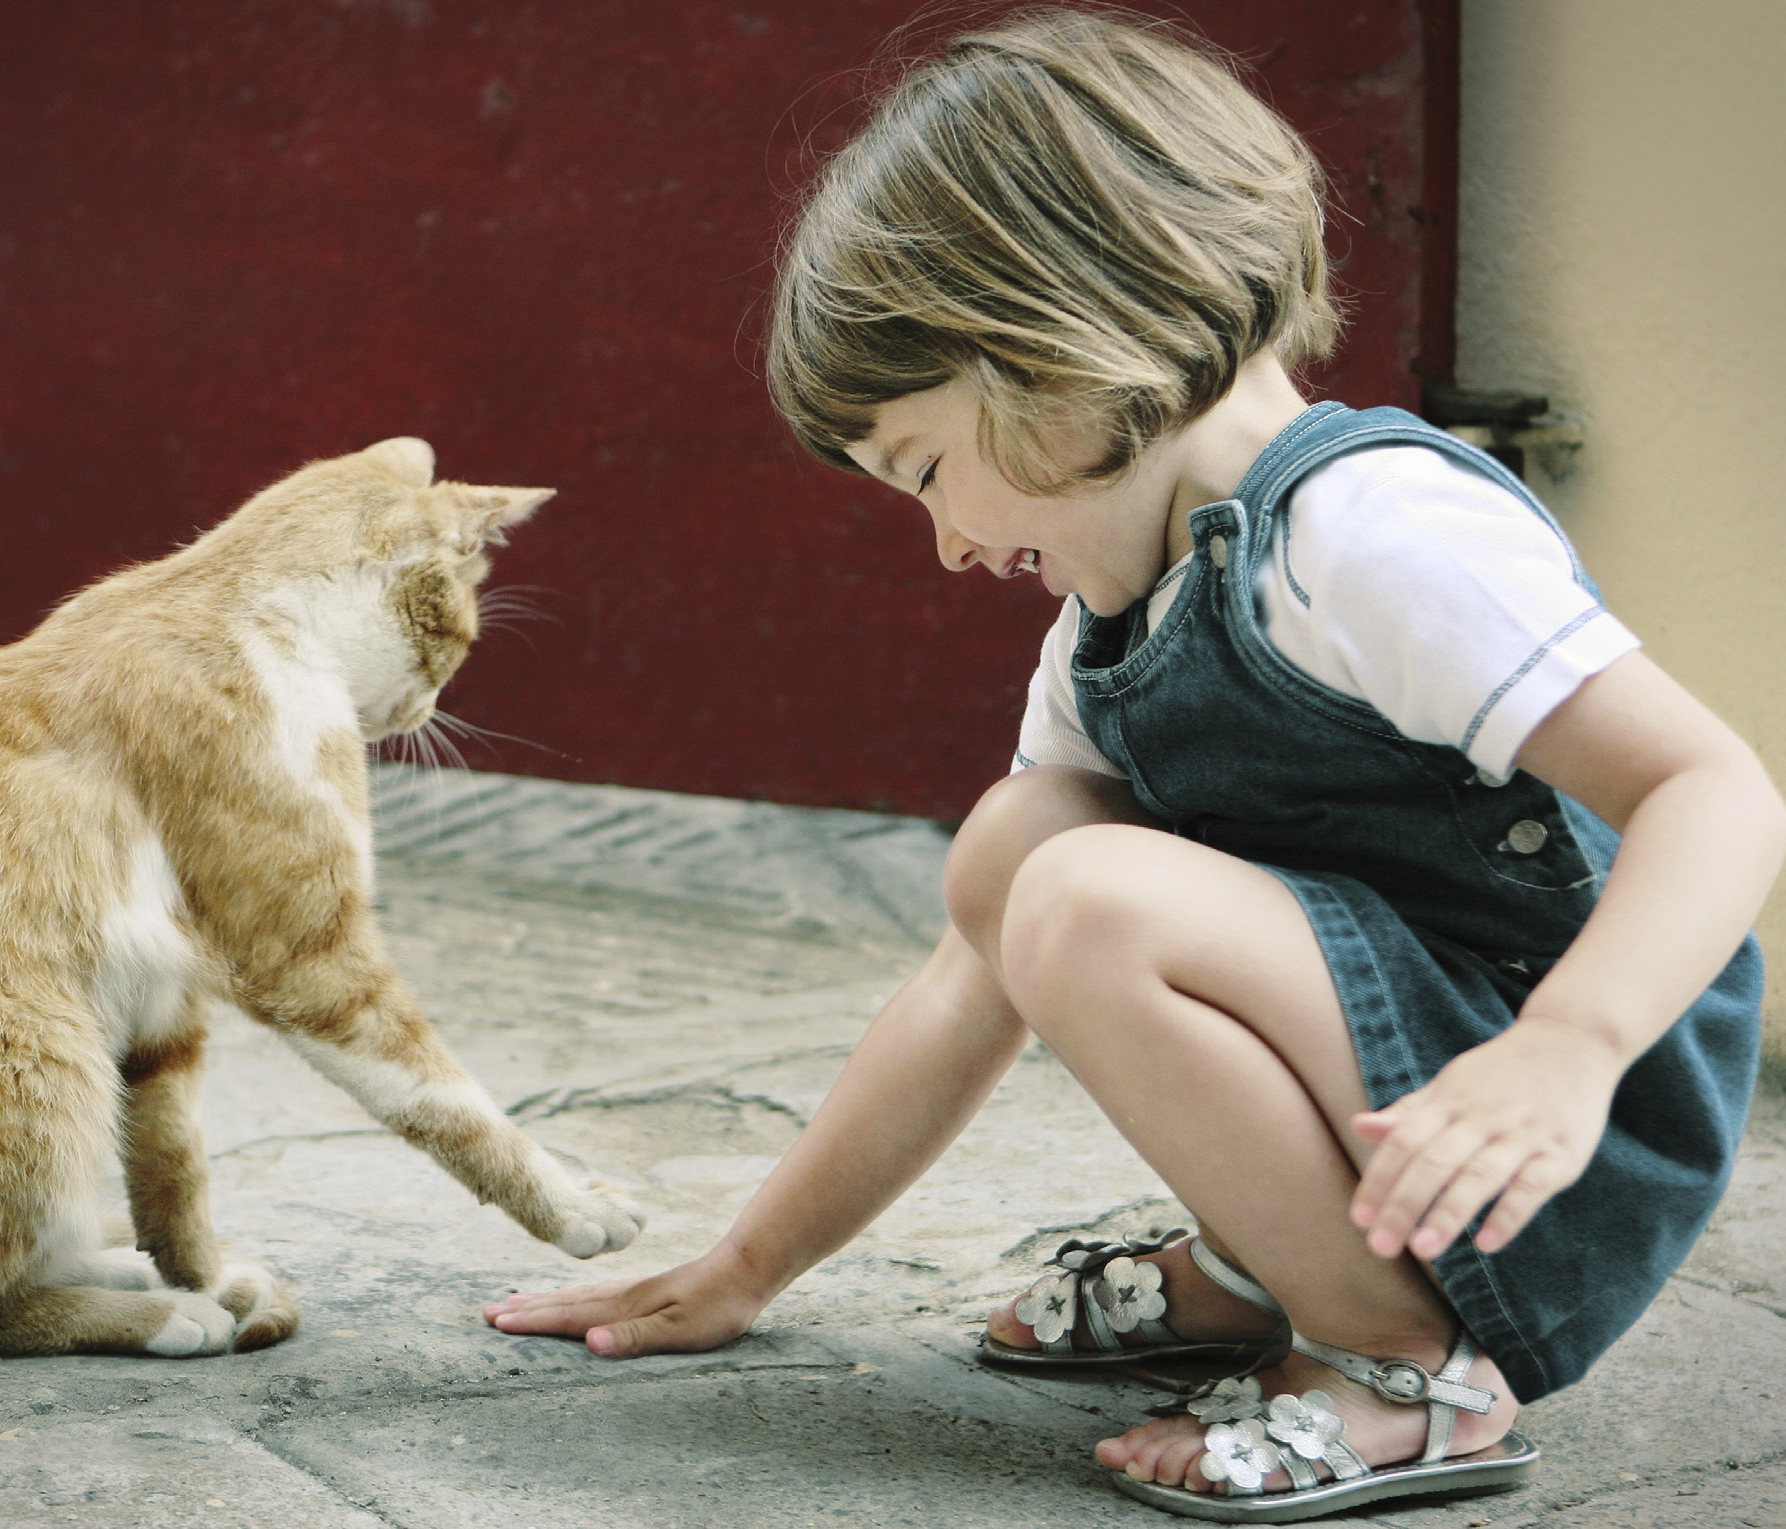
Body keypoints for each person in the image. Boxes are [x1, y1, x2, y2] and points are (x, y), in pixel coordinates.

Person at [485, 8, 1781, 1519]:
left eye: (924, 469)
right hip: (1412, 1106)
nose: (951, 545)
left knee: (1085, 894)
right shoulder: (1125, 609)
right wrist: (748, 1263)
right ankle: (1263, 1262)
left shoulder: (1376, 535)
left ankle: (1399, 1369)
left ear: (1053, 338)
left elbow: (1719, 791)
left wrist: (1568, 1048)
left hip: (1545, 1132)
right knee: (1019, 850)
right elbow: (972, 972)